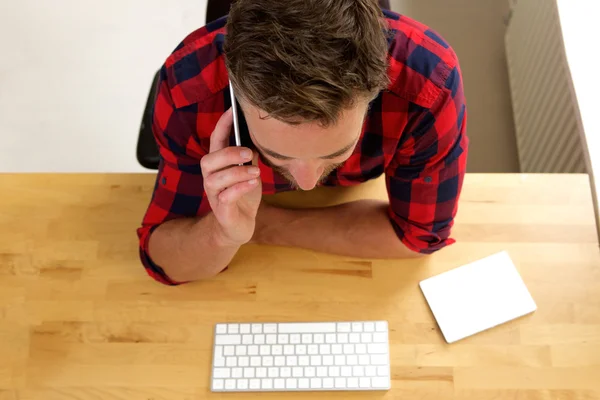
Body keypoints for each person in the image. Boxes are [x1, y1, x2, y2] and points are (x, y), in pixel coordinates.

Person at [137, 0, 468, 285]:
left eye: (336, 153)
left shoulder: (427, 82)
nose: (307, 184)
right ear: (236, 99)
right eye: (276, 155)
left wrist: (263, 226)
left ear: (376, 91)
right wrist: (224, 233)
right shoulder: (190, 87)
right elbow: (163, 257)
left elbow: (419, 239)